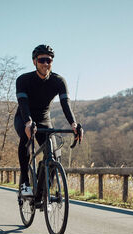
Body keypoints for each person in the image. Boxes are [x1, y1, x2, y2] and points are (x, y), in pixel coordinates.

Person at [15, 44, 83, 200]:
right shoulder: (23, 80)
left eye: (49, 60)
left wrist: (73, 124)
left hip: (44, 119)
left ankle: (43, 188)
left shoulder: (58, 81)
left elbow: (66, 104)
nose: (46, 63)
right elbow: (23, 103)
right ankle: (25, 182)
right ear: (34, 62)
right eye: (42, 60)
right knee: (26, 139)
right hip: (24, 117)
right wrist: (28, 122)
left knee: (54, 154)